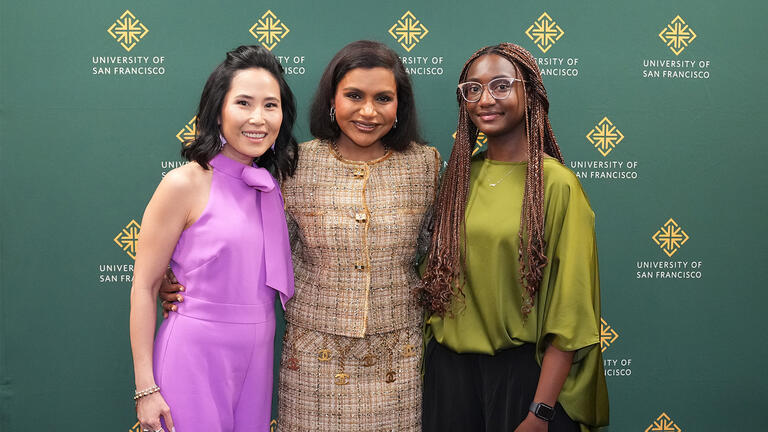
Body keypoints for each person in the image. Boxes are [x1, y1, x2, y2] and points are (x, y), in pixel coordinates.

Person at [160, 40, 439, 431]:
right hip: (312, 361)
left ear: (400, 106)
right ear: (331, 100)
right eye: (354, 96)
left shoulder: (425, 166)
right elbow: (253, 244)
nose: (368, 111)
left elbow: (433, 251)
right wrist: (177, 280)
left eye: (383, 98)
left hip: (397, 358)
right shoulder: (294, 164)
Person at [419, 43, 609, 432]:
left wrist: (540, 411)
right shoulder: (457, 178)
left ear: (531, 92)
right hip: (450, 379)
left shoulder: (557, 185)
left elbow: (570, 312)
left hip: (523, 381)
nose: (484, 99)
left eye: (501, 85)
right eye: (472, 89)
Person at [129, 45, 297, 432]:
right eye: (243, 103)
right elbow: (144, 285)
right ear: (217, 110)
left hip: (258, 356)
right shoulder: (184, 183)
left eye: (271, 105)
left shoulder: (274, 186)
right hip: (194, 354)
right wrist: (145, 388)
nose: (258, 118)